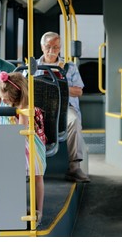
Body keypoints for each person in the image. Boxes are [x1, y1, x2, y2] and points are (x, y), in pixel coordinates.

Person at [0, 72, 46, 226]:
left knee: (36, 175)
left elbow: (21, 130)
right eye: (1, 95)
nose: (3, 99)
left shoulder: (24, 107)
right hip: (6, 142)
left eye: (6, 97)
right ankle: (11, 207)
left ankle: (39, 210)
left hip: (27, 142)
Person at [37, 31, 89, 182]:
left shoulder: (69, 67)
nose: (52, 50)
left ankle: (74, 167)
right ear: (42, 47)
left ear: (60, 48)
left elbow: (78, 91)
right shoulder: (34, 66)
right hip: (40, 108)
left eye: (55, 47)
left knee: (73, 121)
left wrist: (57, 87)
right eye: (48, 47)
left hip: (65, 108)